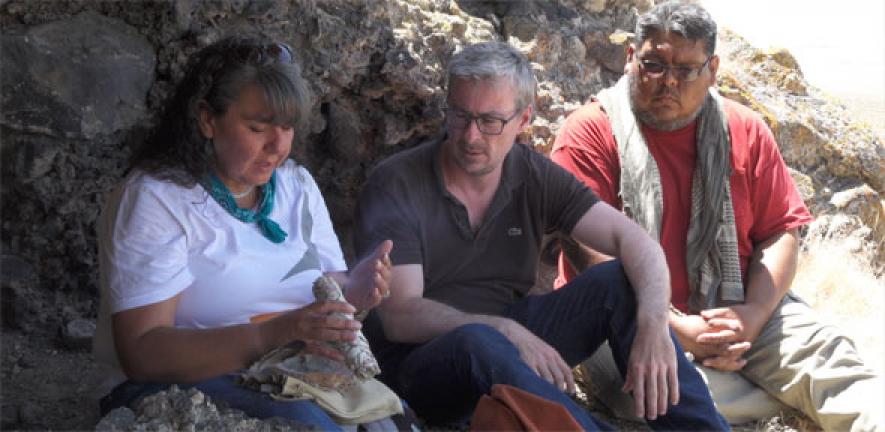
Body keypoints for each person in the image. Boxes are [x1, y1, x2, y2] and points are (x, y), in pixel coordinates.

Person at [353, 40, 729, 430]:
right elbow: (400, 317)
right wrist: (502, 330)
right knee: (479, 342)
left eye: (491, 121)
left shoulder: (533, 175)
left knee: (621, 282)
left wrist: (654, 328)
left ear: (524, 119)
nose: (471, 137)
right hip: (422, 368)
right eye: (460, 116)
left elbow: (637, 244)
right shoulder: (397, 183)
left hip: (511, 341)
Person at [551, 2, 883, 431]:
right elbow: (588, 252)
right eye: (654, 64)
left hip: (737, 307)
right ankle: (778, 399)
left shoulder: (744, 129)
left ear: (713, 69)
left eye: (687, 69)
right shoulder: (589, 133)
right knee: (663, 391)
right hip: (628, 320)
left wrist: (754, 315)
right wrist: (675, 326)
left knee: (834, 363)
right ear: (632, 59)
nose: (668, 81)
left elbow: (780, 232)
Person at [92, 35, 402, 430]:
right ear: (208, 120)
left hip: (293, 365)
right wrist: (273, 334)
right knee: (309, 425)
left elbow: (324, 285)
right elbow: (142, 352)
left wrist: (354, 289)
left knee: (385, 421)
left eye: (287, 128)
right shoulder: (157, 198)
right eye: (258, 128)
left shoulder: (296, 186)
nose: (278, 146)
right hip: (177, 383)